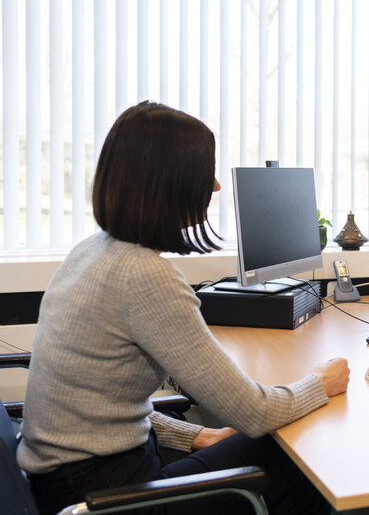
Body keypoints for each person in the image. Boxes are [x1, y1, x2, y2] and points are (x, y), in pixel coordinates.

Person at [17, 101, 350, 515]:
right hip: (108, 496)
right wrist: (321, 380)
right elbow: (255, 412)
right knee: (301, 450)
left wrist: (191, 435)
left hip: (67, 480)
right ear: (172, 184)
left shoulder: (91, 252)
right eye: (203, 172)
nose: (214, 186)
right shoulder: (143, 275)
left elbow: (99, 406)